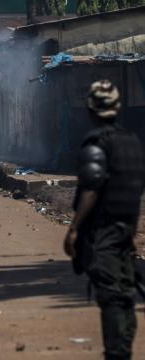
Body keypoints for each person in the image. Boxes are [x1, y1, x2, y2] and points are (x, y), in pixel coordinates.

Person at [64, 80, 145, 360]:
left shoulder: (97, 143)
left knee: (112, 297)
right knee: (124, 296)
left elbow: (92, 188)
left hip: (104, 232)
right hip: (125, 230)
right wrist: (133, 233)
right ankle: (122, 350)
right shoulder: (132, 143)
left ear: (91, 110)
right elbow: (133, 192)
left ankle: (117, 353)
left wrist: (74, 229)